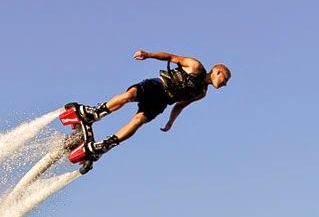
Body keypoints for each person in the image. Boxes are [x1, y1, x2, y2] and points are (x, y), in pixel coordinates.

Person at [69, 50, 231, 161]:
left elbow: (180, 106)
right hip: (158, 86)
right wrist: (148, 55)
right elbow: (170, 57)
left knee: (138, 121)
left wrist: (170, 122)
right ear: (217, 71)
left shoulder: (202, 93)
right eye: (225, 79)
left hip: (162, 102)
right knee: (130, 95)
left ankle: (103, 146)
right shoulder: (195, 66)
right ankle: (94, 113)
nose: (224, 84)